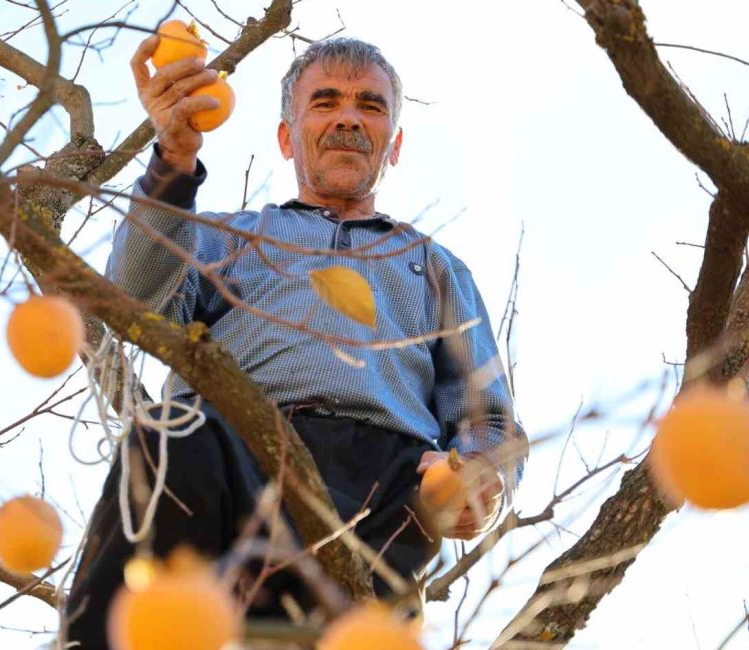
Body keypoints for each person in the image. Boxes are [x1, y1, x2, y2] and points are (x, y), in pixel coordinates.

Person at [65, 35, 529, 648]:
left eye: (370, 104)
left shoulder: (434, 266)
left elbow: (487, 415)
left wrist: (477, 481)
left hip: (387, 486)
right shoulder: (231, 238)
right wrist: (172, 158)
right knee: (164, 437)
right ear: (287, 138)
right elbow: (137, 297)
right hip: (240, 453)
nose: (347, 117)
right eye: (326, 101)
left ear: (394, 144)